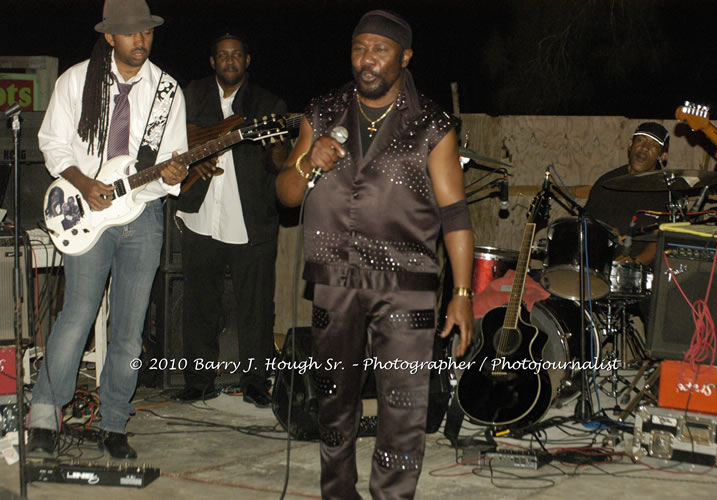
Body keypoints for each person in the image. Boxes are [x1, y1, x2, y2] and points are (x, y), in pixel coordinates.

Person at [276, 10, 474, 499]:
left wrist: (463, 293)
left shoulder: (431, 124)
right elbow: (286, 196)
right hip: (334, 281)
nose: (367, 60)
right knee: (333, 406)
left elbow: (455, 214)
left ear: (404, 57)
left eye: (380, 50)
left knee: (403, 411)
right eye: (359, 48)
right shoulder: (323, 112)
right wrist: (307, 162)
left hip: (407, 286)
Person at [29, 0, 188, 459]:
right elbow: (52, 144)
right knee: (77, 314)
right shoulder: (76, 81)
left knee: (129, 329)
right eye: (131, 32)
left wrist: (174, 173)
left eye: (147, 31)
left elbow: (171, 160)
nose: (141, 39)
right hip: (86, 213)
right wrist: (84, 184)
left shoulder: (166, 91)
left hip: (143, 215)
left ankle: (115, 422)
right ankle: (44, 416)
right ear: (110, 37)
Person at [172, 30, 288, 405]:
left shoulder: (268, 103)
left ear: (247, 60)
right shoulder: (190, 97)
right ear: (212, 61)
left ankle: (255, 382)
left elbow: (280, 164)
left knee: (255, 307)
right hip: (201, 216)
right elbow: (170, 144)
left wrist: (278, 146)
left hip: (249, 221)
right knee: (199, 304)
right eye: (222, 55)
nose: (230, 61)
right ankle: (198, 381)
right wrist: (191, 163)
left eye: (236, 54)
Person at [585, 122, 672, 268]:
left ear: (662, 156)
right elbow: (586, 225)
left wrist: (635, 263)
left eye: (653, 145)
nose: (644, 147)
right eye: (640, 140)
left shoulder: (667, 193)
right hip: (599, 267)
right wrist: (606, 230)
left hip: (643, 272)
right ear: (630, 144)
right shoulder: (606, 183)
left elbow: (661, 242)